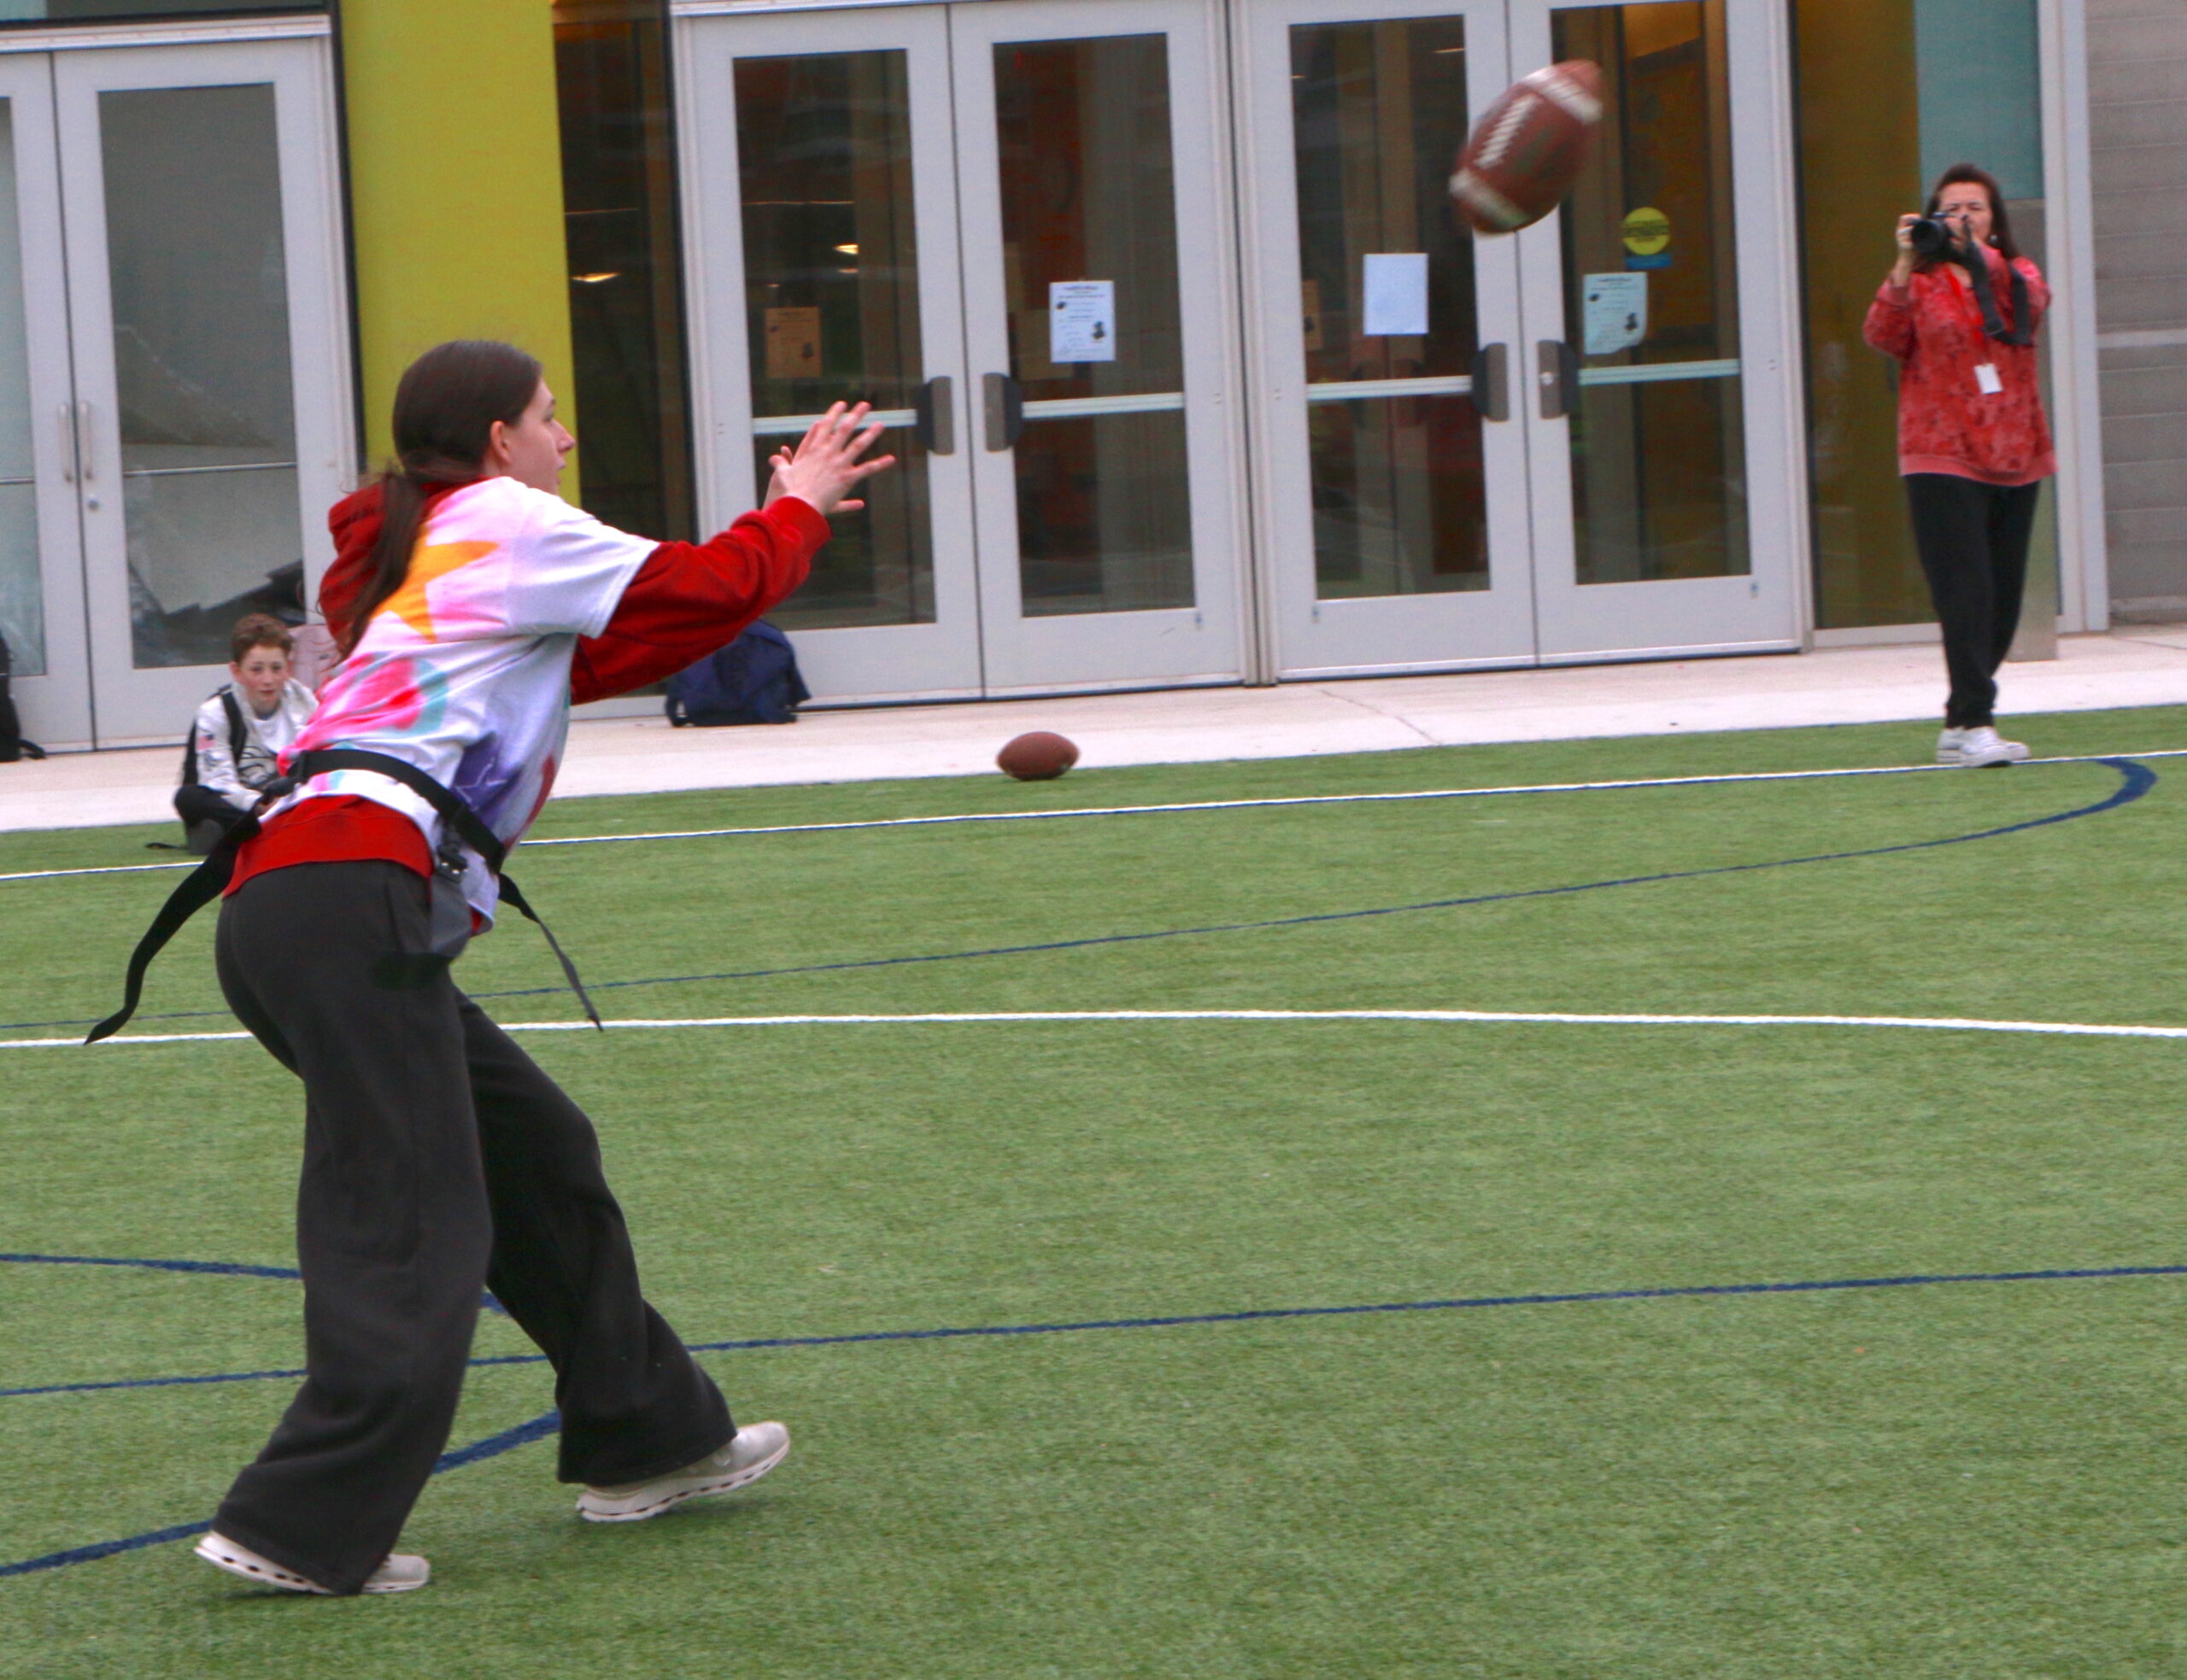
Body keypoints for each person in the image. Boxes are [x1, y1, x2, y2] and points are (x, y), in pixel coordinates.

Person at [187, 340, 892, 1596]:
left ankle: (651, 1435)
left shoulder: (421, 552)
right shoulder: (505, 521)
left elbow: (622, 646)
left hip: (305, 902)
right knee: (411, 1219)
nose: (566, 441)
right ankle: (302, 1523)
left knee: (537, 1153)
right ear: (498, 439)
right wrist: (795, 507)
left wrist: (781, 525)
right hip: (351, 896)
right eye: (550, 418)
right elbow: (705, 585)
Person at [1864, 162, 2055, 769]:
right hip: (1940, 455)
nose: (1963, 218)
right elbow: (1882, 336)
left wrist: (1976, 256)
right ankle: (1975, 720)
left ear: (1995, 219)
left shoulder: (2015, 275)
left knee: (2002, 599)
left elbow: (2032, 303)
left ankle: (1960, 720)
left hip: (2015, 453)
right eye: (1951, 210)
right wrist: (1903, 264)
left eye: (1975, 208)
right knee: (1966, 592)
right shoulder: (1917, 283)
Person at [173, 616, 319, 852]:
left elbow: (317, 762)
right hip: (241, 801)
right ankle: (266, 827)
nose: (268, 680)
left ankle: (247, 832)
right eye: (256, 670)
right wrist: (259, 805)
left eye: (276, 668)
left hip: (288, 794)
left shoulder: (306, 703)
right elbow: (218, 781)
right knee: (189, 797)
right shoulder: (216, 712)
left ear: (288, 668)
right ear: (237, 671)